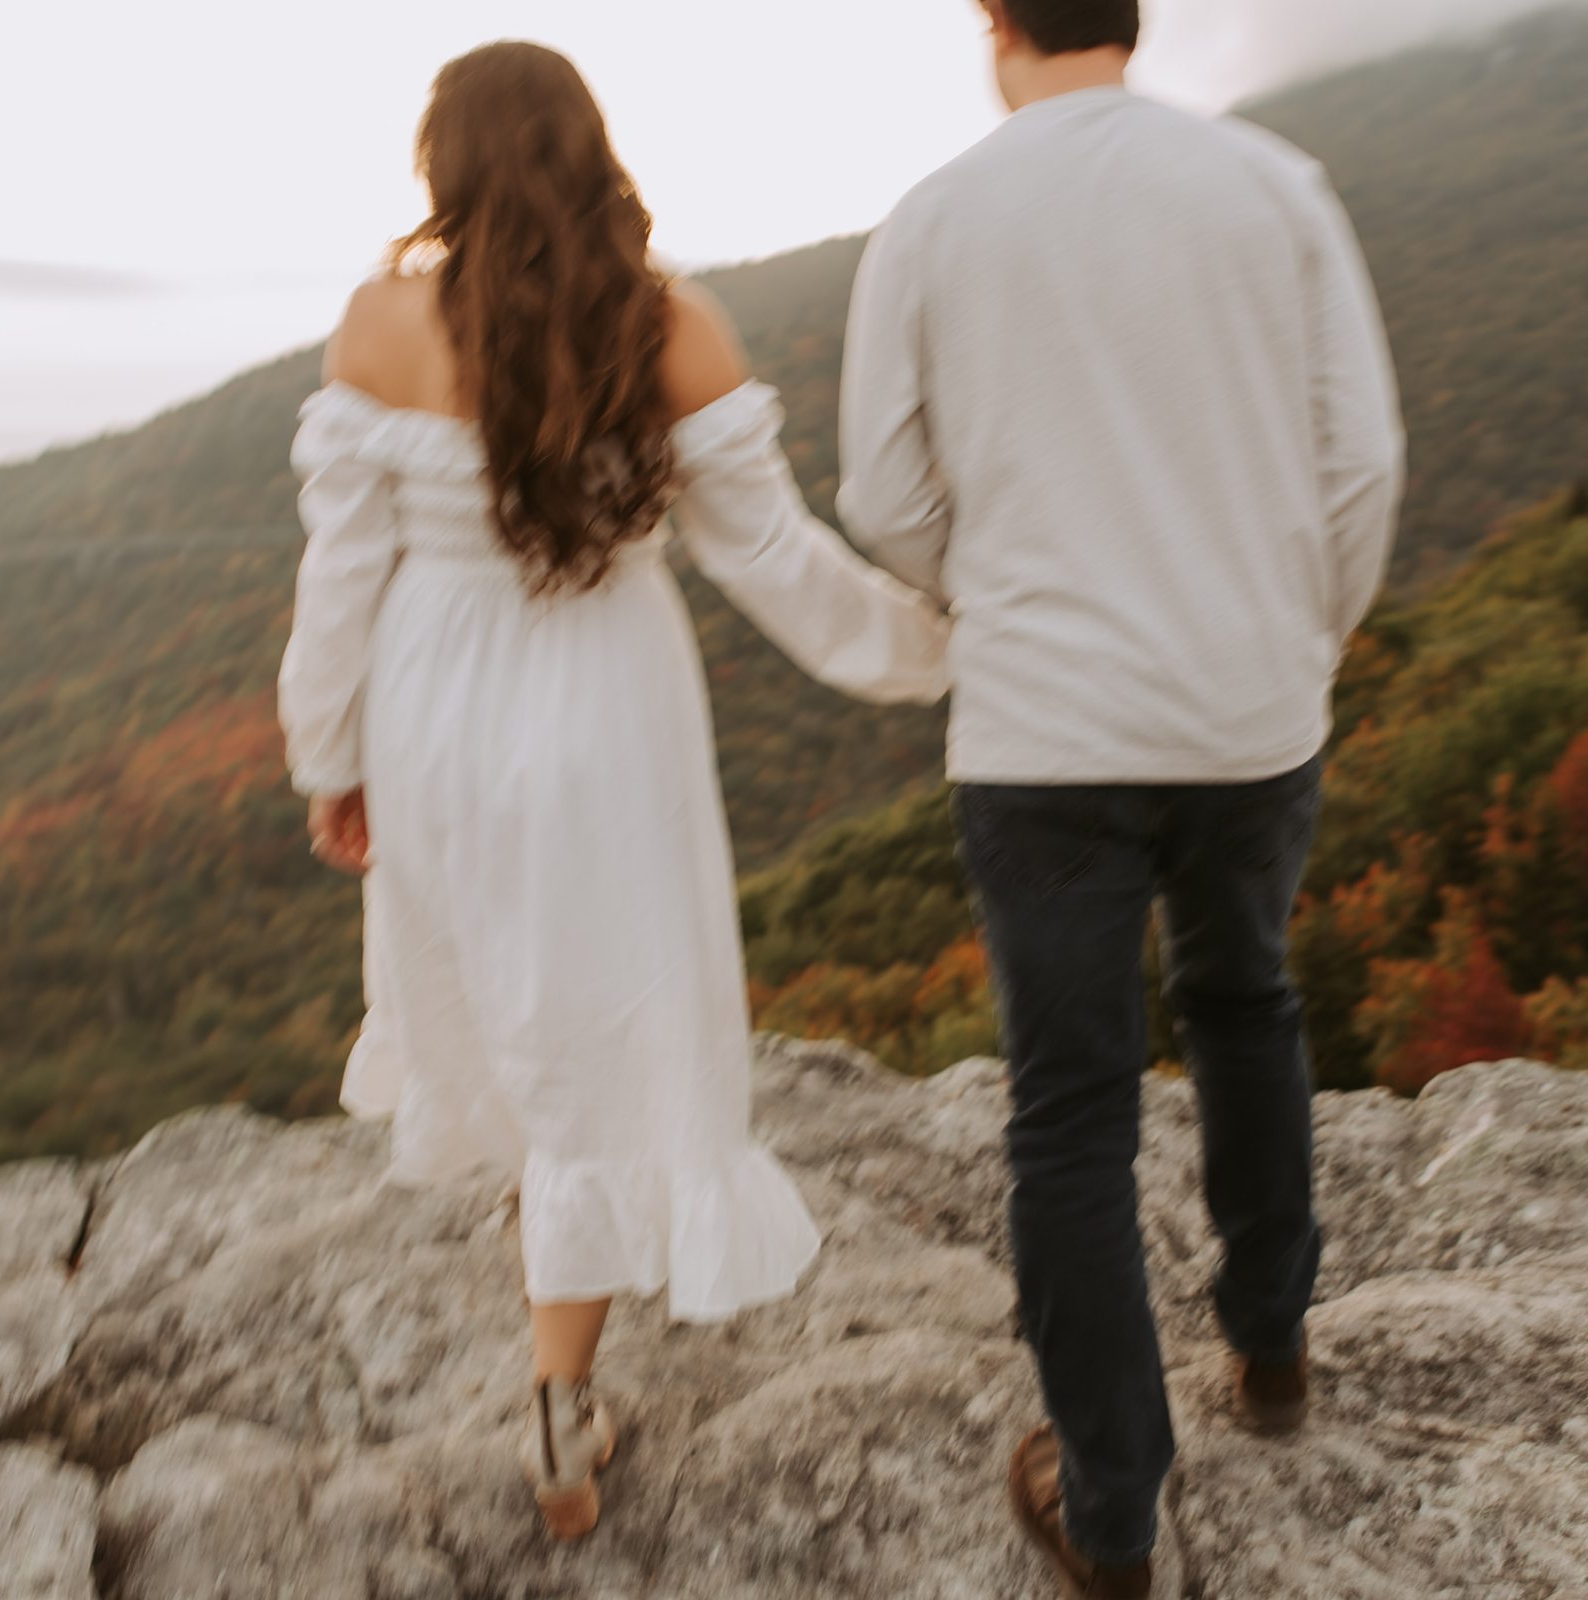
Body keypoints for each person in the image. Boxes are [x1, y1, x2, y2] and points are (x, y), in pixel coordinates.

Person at [276, 40, 951, 1544]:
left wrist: (329, 757)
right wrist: (940, 650)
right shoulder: (668, 325)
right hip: (607, 712)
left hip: (434, 709)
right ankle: (560, 1395)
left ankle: (560, 1378)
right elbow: (778, 566)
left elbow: (339, 584)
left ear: (440, 167)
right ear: (594, 151)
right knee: (598, 1008)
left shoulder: (380, 327)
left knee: (506, 1005)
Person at [837, 1, 1406, 1593]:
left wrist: (1008, 590)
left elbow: (883, 492)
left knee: (1068, 1116)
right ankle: (1273, 1349)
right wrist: (1300, 631)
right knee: (1246, 1004)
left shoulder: (935, 218)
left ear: (995, 24)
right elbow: (1360, 462)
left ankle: (1109, 1516)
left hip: (1041, 731)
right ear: (1133, 20)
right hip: (1248, 707)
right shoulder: (1276, 186)